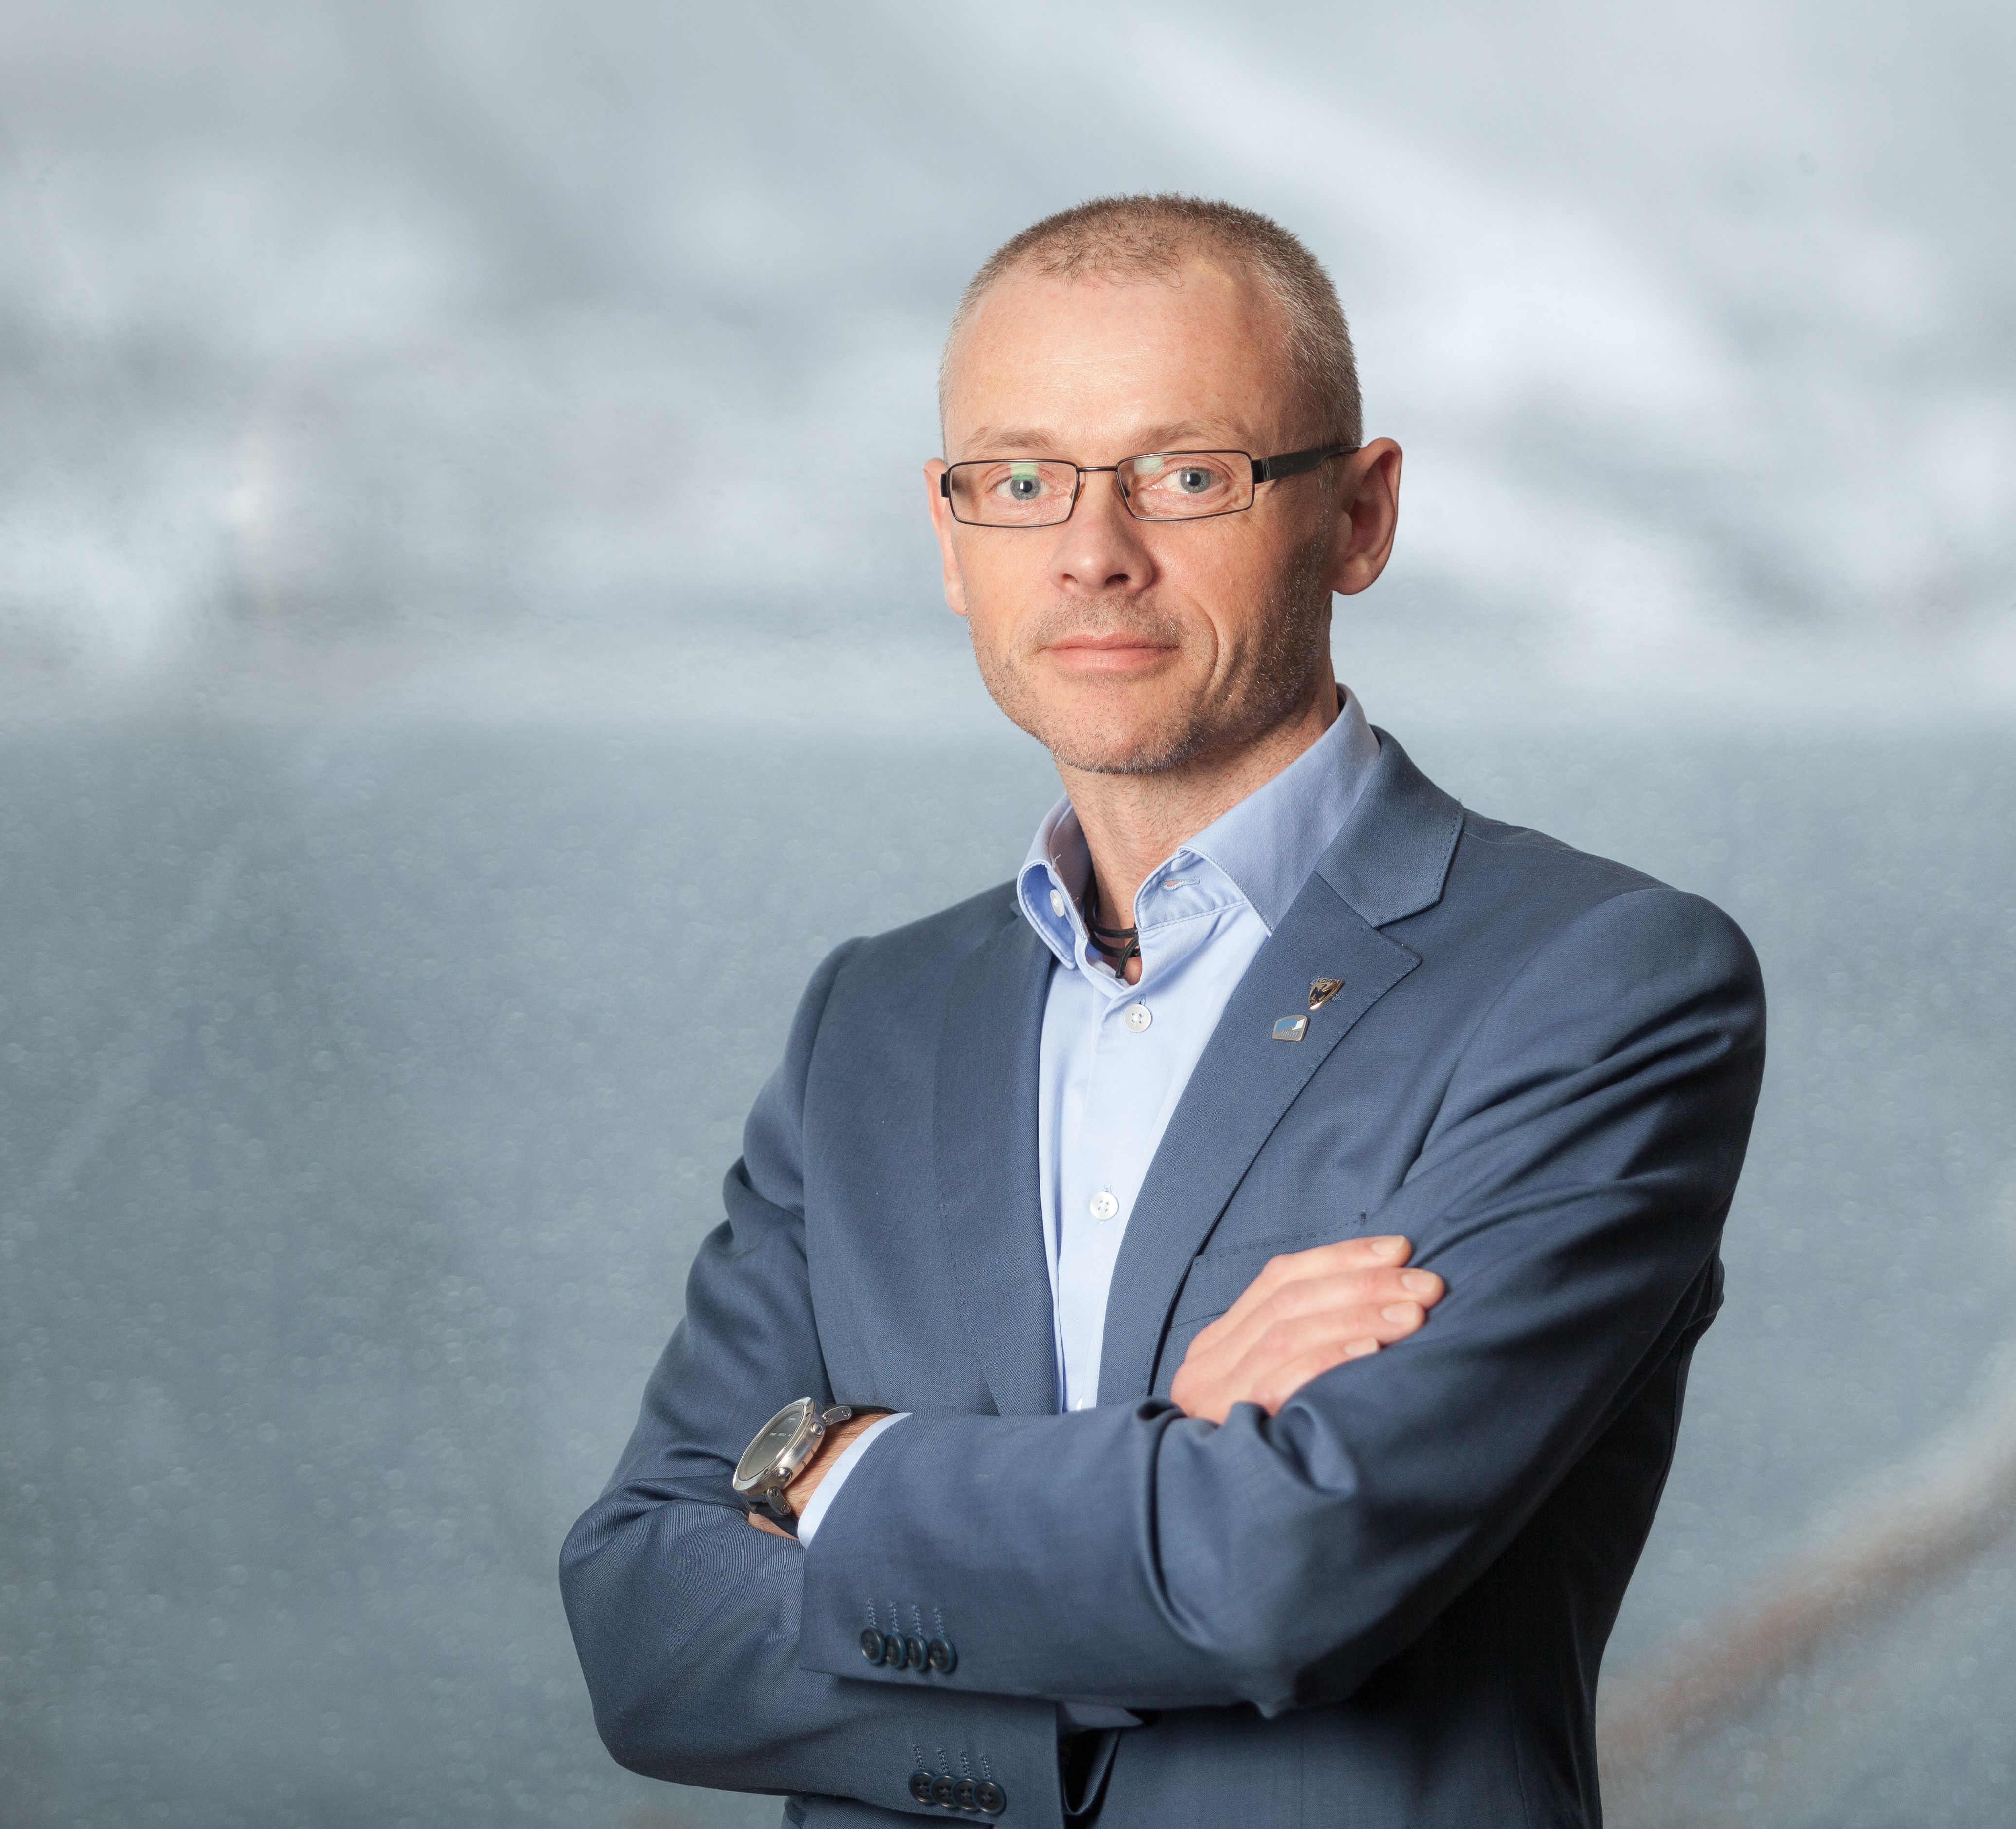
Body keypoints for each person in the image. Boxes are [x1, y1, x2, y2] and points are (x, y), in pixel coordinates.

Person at [560, 195, 1765, 1828]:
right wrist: (1169, 1455)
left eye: (1187, 475)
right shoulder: (873, 1023)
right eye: (1021, 482)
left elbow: (1276, 1572)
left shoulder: (1600, 982)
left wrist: (830, 1467)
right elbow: (648, 1631)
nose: (1092, 552)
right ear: (950, 537)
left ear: (1359, 517)